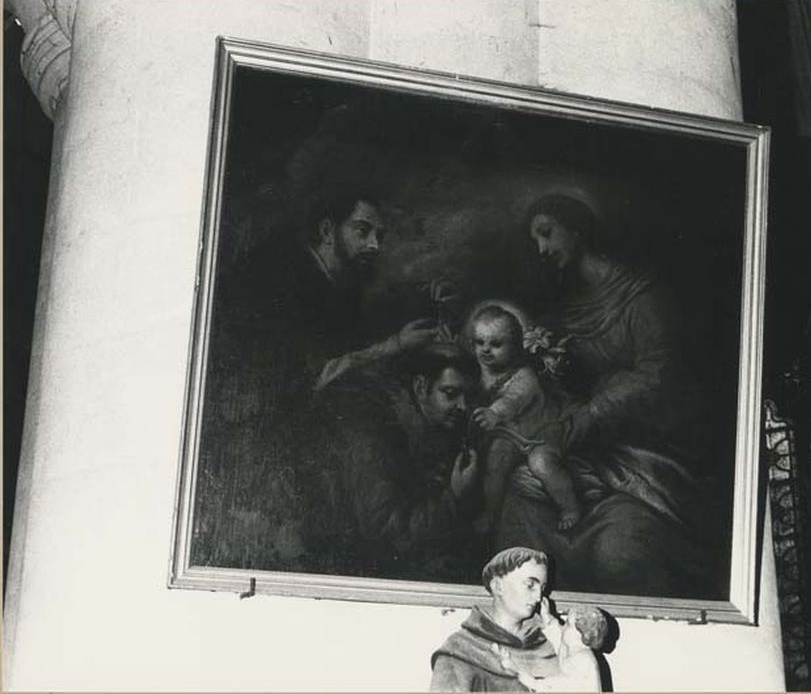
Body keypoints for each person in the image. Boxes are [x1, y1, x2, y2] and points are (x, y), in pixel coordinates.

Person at [494, 192, 725, 599]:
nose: (542, 249)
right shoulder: (566, 309)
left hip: (646, 449)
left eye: (547, 234)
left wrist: (593, 411)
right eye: (535, 242)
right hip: (588, 446)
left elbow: (657, 374)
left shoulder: (642, 296)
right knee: (520, 492)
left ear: (577, 228)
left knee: (619, 550)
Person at [194, 191, 441, 570]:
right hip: (250, 424)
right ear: (328, 230)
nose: (374, 244)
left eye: (380, 235)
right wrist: (394, 346)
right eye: (362, 230)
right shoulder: (289, 284)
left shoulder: (336, 285)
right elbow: (309, 375)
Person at [297, 344, 484, 581]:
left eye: (468, 397)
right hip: (341, 567)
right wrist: (454, 497)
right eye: (450, 393)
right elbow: (386, 531)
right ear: (420, 387)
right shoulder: (372, 432)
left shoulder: (427, 425)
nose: (463, 407)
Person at [467, 304, 579, 534]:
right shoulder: (479, 370)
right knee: (495, 462)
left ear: (515, 347)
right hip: (511, 435)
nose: (486, 350)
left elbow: (514, 399)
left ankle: (570, 507)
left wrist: (495, 413)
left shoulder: (524, 376)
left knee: (542, 464)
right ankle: (491, 513)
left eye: (496, 344)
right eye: (480, 342)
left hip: (541, 433)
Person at [430, 547, 560, 692]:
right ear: (498, 587)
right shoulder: (460, 650)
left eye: (542, 588)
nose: (538, 597)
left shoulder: (552, 643)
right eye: (530, 586)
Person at [493, 599, 606, 692]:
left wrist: (534, 682)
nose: (563, 627)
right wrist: (546, 616)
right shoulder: (571, 647)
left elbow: (561, 685)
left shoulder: (584, 659)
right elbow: (557, 637)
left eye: (567, 624)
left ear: (582, 635)